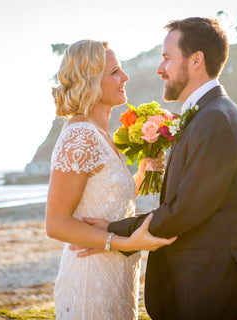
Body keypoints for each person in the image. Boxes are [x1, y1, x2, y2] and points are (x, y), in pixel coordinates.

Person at [77, 18, 237, 319]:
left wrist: (113, 232)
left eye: (167, 59)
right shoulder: (208, 115)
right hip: (202, 283)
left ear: (196, 60)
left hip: (210, 287)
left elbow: (185, 210)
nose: (160, 69)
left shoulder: (217, 120)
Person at [45, 39, 176, 320]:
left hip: (118, 274)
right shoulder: (80, 136)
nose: (125, 77)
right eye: (115, 72)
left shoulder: (101, 134)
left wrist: (141, 174)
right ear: (91, 81)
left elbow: (107, 202)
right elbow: (56, 224)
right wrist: (126, 243)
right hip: (90, 280)